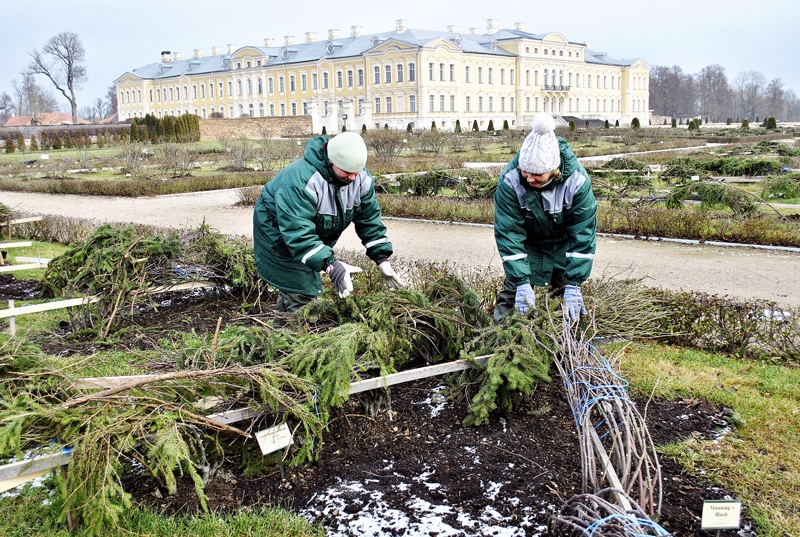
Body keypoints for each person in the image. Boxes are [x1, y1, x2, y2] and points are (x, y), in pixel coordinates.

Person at [253, 132, 404, 319]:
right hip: (278, 233)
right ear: (331, 162)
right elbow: (298, 233)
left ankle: (288, 333)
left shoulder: (361, 179)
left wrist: (382, 259)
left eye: (356, 172)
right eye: (347, 172)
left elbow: (369, 219)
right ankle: (293, 341)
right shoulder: (300, 181)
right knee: (301, 289)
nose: (352, 178)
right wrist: (332, 266)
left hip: (307, 232)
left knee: (304, 283)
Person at [493, 113, 597, 324]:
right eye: (526, 171)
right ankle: (497, 342)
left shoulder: (576, 182)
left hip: (562, 244)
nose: (530, 178)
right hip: (528, 244)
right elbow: (509, 233)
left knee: (566, 302)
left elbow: (583, 233)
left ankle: (568, 344)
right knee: (513, 297)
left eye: (537, 174)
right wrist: (522, 281)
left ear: (553, 170)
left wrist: (575, 283)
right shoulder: (510, 180)